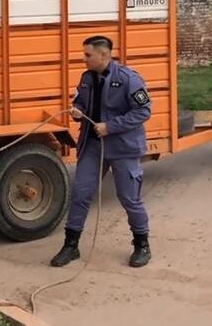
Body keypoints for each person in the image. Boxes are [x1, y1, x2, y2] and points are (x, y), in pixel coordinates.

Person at [51, 35, 152, 268]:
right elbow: (80, 101)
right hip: (94, 146)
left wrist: (111, 126)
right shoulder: (86, 78)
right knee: (80, 194)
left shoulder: (128, 79)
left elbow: (143, 111)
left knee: (129, 198)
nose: (83, 59)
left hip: (123, 148)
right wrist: (77, 109)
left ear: (104, 55)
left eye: (88, 55)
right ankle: (70, 246)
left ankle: (142, 245)